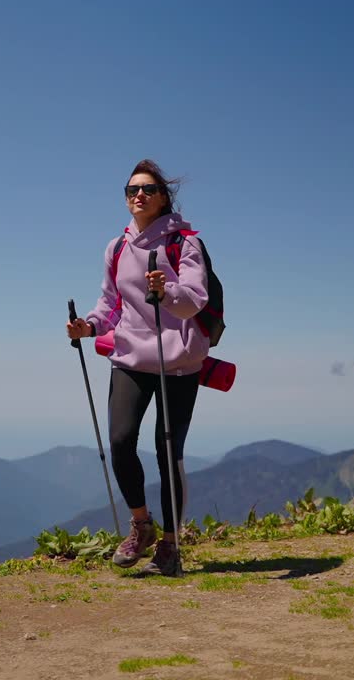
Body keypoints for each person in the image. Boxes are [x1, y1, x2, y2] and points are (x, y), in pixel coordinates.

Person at [66, 158, 210, 576]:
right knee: (121, 440)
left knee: (169, 454)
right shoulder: (117, 247)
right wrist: (88, 326)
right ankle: (141, 525)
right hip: (130, 357)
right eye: (131, 190)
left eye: (147, 189)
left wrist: (165, 293)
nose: (138, 196)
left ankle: (170, 545)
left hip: (178, 361)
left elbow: (193, 300)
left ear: (164, 197)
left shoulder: (184, 243)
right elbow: (110, 304)